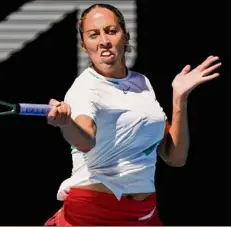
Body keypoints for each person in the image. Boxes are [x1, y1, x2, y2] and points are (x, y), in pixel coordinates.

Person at [43, 3, 221, 226]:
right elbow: (85, 140)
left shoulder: (141, 83)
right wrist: (66, 124)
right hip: (93, 213)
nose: (103, 41)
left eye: (111, 31)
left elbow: (174, 157)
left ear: (125, 37)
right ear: (83, 45)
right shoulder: (84, 89)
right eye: (93, 35)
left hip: (143, 213)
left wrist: (179, 99)